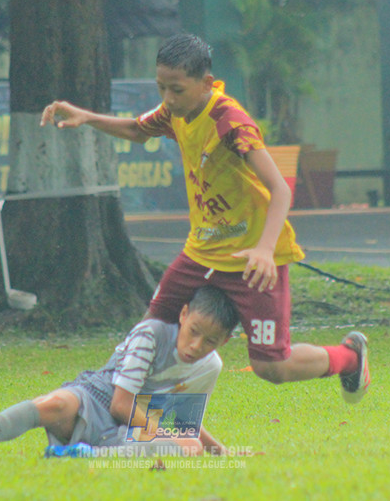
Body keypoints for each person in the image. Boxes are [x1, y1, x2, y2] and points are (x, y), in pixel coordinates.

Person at [40, 33, 370, 398]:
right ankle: (108, 401)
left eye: (176, 89)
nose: (167, 98)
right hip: (201, 252)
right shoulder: (175, 111)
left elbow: (280, 189)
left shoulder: (231, 123)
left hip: (254, 258)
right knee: (151, 328)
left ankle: (350, 358)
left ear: (206, 84)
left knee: (271, 366)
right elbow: (137, 130)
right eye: (161, 87)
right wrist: (85, 117)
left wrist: (263, 251)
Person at [0, 285, 239, 459]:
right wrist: (165, 430)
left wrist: (220, 451)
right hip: (99, 397)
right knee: (55, 403)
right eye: (194, 331)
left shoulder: (210, 367)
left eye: (210, 341)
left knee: (190, 447)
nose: (196, 346)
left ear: (225, 341)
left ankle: (86, 455)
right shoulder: (151, 335)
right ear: (183, 315)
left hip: (130, 429)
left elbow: (179, 421)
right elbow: (119, 404)